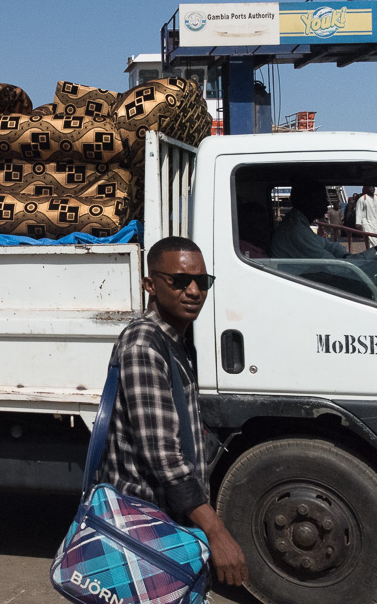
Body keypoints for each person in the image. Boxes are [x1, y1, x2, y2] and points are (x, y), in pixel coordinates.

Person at [100, 236, 248, 587]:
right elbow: (163, 456)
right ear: (150, 284)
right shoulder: (144, 345)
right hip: (145, 527)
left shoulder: (172, 341)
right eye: (180, 281)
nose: (194, 291)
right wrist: (216, 531)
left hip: (164, 523)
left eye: (202, 281)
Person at [271, 180, 377, 260]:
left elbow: (328, 247)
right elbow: (336, 267)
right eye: (322, 197)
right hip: (368, 227)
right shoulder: (297, 232)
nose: (326, 201)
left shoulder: (299, 226)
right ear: (308, 200)